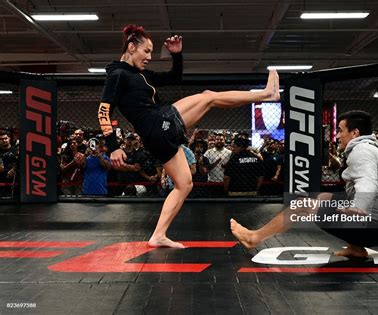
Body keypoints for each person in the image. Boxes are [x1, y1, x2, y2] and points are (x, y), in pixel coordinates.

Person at [98, 24, 280, 248]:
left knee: (184, 184)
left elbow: (175, 77)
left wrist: (177, 55)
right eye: (146, 51)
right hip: (157, 124)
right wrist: (113, 146)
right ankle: (266, 94)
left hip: (156, 136)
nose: (149, 57)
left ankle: (158, 235)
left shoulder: (141, 75)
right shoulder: (117, 74)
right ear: (132, 47)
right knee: (209, 97)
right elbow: (103, 111)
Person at [231, 110, 378, 257]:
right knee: (325, 197)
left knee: (302, 205)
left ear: (355, 133)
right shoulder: (370, 149)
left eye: (340, 130)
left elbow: (367, 183)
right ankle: (356, 248)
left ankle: (254, 238)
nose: (337, 135)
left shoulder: (361, 151)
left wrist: (359, 208)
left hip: (373, 228)